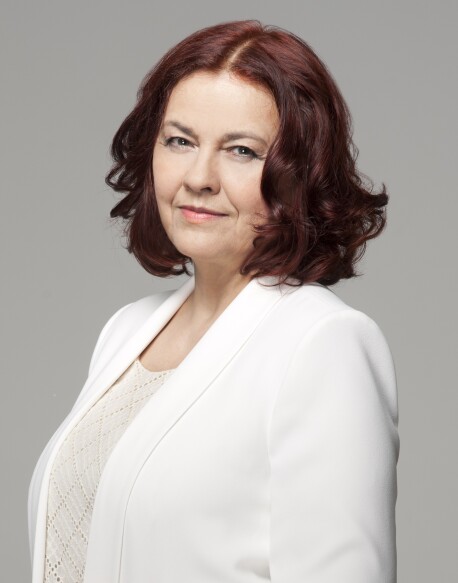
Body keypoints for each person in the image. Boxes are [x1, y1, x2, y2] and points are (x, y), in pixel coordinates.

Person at [28, 19, 400, 583]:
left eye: (242, 151)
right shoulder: (126, 331)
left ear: (300, 175)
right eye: (180, 141)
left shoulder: (323, 344)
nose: (199, 177)